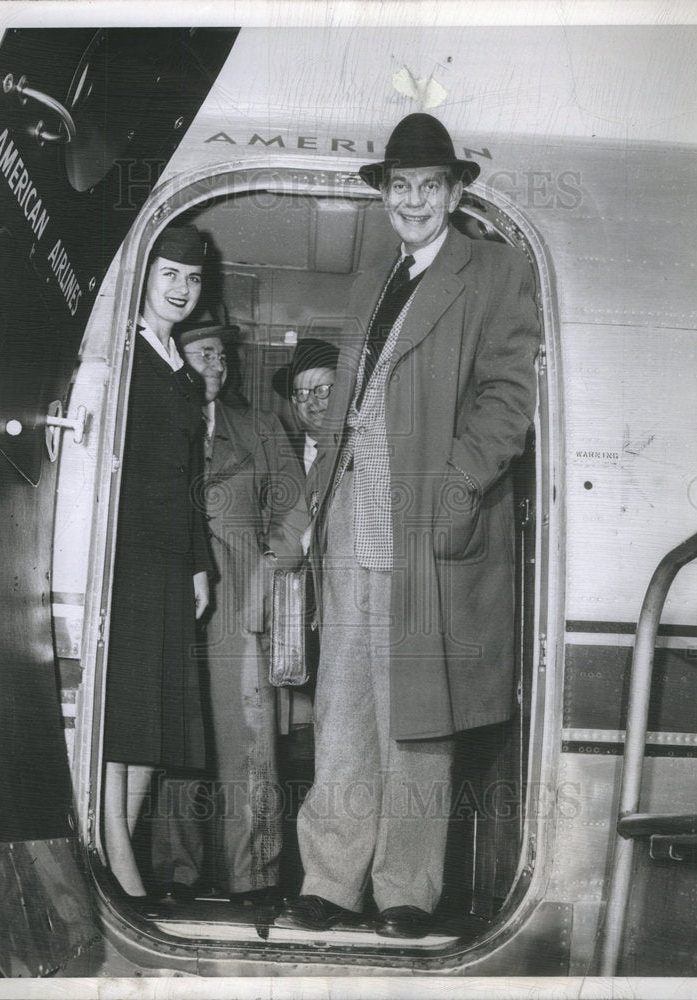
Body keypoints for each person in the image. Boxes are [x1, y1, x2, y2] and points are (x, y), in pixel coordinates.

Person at [281, 113, 541, 938]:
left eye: (431, 186)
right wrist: (305, 512)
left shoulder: (496, 271)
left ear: (456, 191)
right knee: (345, 705)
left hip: (427, 526)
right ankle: (329, 879)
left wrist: (454, 491)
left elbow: (507, 401)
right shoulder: (372, 279)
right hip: (353, 519)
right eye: (401, 187)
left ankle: (404, 890)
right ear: (385, 195)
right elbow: (347, 415)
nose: (415, 201)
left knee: (418, 718)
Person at [152, 320, 299, 903]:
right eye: (202, 353)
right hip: (168, 597)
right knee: (173, 738)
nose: (216, 365)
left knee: (249, 739)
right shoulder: (155, 423)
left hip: (240, 599)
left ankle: (255, 876)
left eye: (221, 355)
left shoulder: (260, 428)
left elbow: (294, 509)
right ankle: (173, 875)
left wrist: (269, 567)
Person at [102, 225, 211, 899]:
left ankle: (119, 857)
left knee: (157, 717)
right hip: (129, 554)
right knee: (124, 715)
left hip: (170, 559)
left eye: (192, 278)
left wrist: (198, 564)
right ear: (144, 277)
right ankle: (118, 864)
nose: (179, 288)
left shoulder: (179, 366)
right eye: (168, 273)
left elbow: (189, 481)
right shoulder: (124, 353)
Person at [269, 338, 339, 733]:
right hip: (294, 600)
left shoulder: (363, 447)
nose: (310, 401)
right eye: (300, 394)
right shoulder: (278, 446)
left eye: (322, 390)